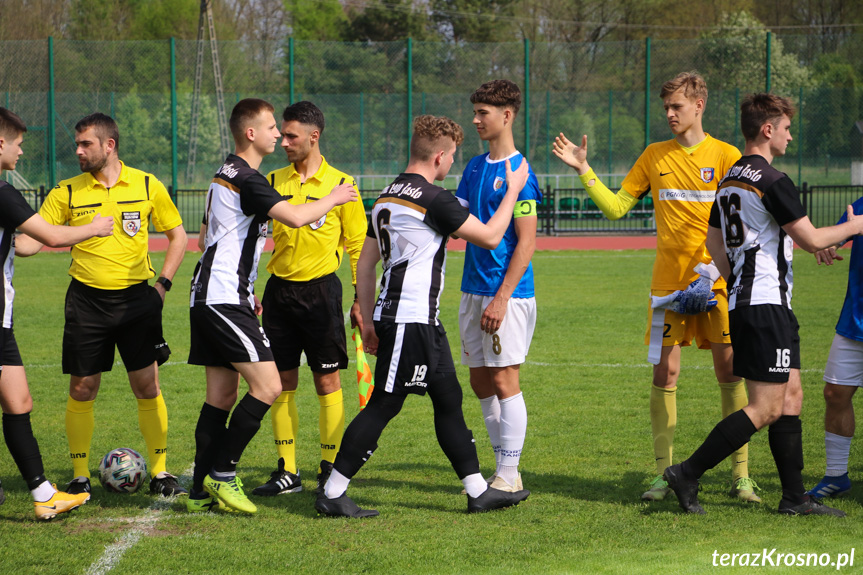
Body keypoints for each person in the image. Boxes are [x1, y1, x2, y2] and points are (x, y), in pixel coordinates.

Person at [552, 71, 759, 503]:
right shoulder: (654, 155)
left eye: (677, 106)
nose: (669, 113)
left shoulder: (726, 156)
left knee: (730, 371)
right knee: (665, 373)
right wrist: (584, 169)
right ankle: (665, 474)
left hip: (717, 283)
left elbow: (745, 219)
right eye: (666, 107)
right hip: (667, 287)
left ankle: (742, 476)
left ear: (699, 105)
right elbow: (616, 208)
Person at [315, 115, 531, 518]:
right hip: (409, 317)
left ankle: (478, 491)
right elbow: (490, 236)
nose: (452, 165)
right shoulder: (432, 198)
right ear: (439, 156)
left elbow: (365, 264)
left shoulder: (387, 194)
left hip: (416, 320)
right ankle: (333, 490)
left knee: (448, 399)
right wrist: (513, 189)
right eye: (452, 158)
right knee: (384, 404)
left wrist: (366, 315)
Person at [663, 92, 862, 516]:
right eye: (787, 128)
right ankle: (687, 472)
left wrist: (736, 277)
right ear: (768, 129)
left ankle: (794, 498)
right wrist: (857, 224)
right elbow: (810, 238)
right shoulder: (772, 179)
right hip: (765, 305)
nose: (790, 136)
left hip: (759, 303)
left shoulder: (732, 176)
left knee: (791, 396)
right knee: (766, 407)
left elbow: (715, 240)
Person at [187, 98, 357, 514]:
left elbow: (208, 233)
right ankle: (224, 475)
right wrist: (335, 198)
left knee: (221, 397)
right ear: (251, 133)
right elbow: (296, 219)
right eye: (271, 129)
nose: (277, 137)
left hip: (213, 293)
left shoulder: (225, 173)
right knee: (270, 386)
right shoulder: (249, 178)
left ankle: (196, 494)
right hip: (225, 298)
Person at [14, 113, 188, 498]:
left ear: (109, 145)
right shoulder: (67, 192)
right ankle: (79, 475)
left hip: (137, 301)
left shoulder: (146, 184)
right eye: (77, 144)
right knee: (82, 387)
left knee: (147, 385)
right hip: (86, 301)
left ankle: (160, 471)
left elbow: (177, 236)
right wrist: (10, 240)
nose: (78, 151)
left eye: (85, 144)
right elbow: (30, 241)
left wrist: (162, 285)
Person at [0, 107, 113, 519]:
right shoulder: (2, 193)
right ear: (0, 143)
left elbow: (25, 245)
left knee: (18, 401)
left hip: (3, 321)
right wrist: (94, 228)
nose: (22, 152)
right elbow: (47, 234)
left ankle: (43, 494)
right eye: (19, 144)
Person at [252, 101, 367, 497]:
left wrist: (359, 300)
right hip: (279, 293)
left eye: (291, 136)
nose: (283, 142)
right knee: (280, 382)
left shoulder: (343, 185)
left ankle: (330, 466)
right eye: (281, 135)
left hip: (321, 294)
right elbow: (253, 238)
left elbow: (358, 247)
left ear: (313, 137)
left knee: (327, 379)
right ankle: (287, 470)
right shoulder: (271, 179)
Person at [455, 79, 542, 494]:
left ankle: (509, 474)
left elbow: (526, 241)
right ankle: (502, 465)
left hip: (505, 294)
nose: (475, 120)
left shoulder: (520, 174)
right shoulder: (473, 167)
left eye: (482, 113)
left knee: (505, 379)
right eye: (474, 111)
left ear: (506, 116)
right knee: (479, 382)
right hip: (471, 290)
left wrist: (502, 297)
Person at [806, 196, 863, 500]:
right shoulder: (862, 203)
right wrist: (831, 244)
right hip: (855, 320)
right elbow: (840, 232)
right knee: (835, 393)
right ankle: (837, 475)